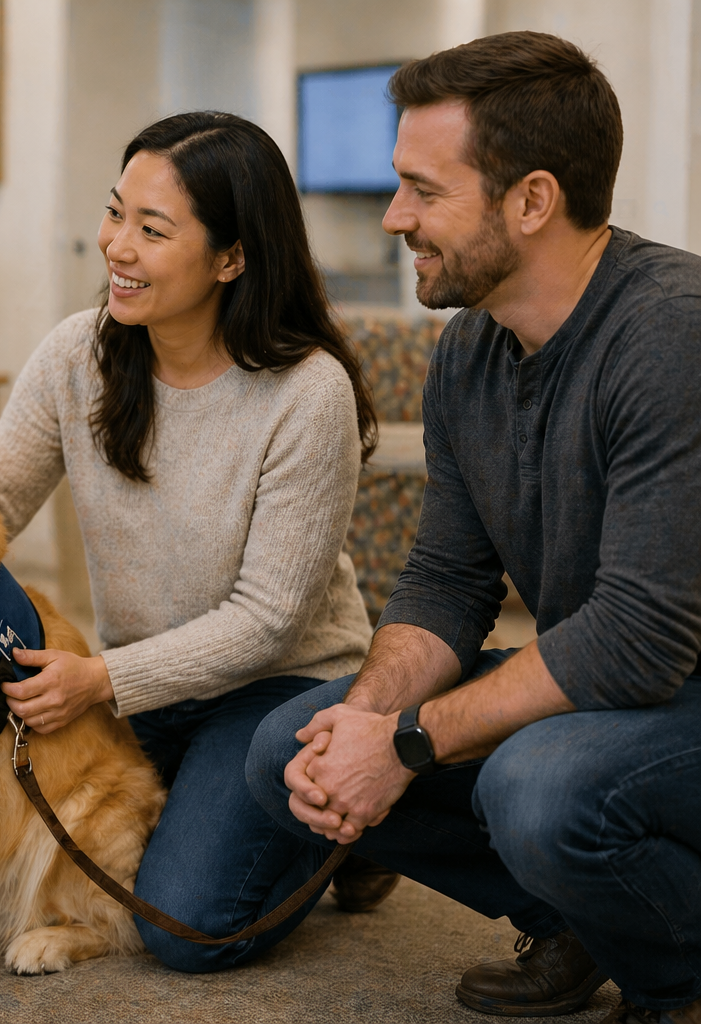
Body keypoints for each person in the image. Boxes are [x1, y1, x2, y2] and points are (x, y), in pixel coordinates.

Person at [246, 32, 701, 1024]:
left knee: (542, 786)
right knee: (291, 743)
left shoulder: (673, 332)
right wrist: (368, 723)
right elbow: (449, 582)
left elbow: (641, 639)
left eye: (422, 189)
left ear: (532, 200)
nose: (394, 216)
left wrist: (406, 745)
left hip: (678, 688)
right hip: (627, 693)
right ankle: (584, 917)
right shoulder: (467, 355)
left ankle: (676, 980)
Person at [0, 111, 387, 972]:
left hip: (277, 691)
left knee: (183, 927)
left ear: (232, 258)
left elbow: (269, 621)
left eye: (152, 230)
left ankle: (356, 832)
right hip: (143, 687)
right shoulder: (76, 357)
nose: (115, 245)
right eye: (116, 212)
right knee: (7, 844)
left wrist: (99, 681)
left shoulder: (308, 394)